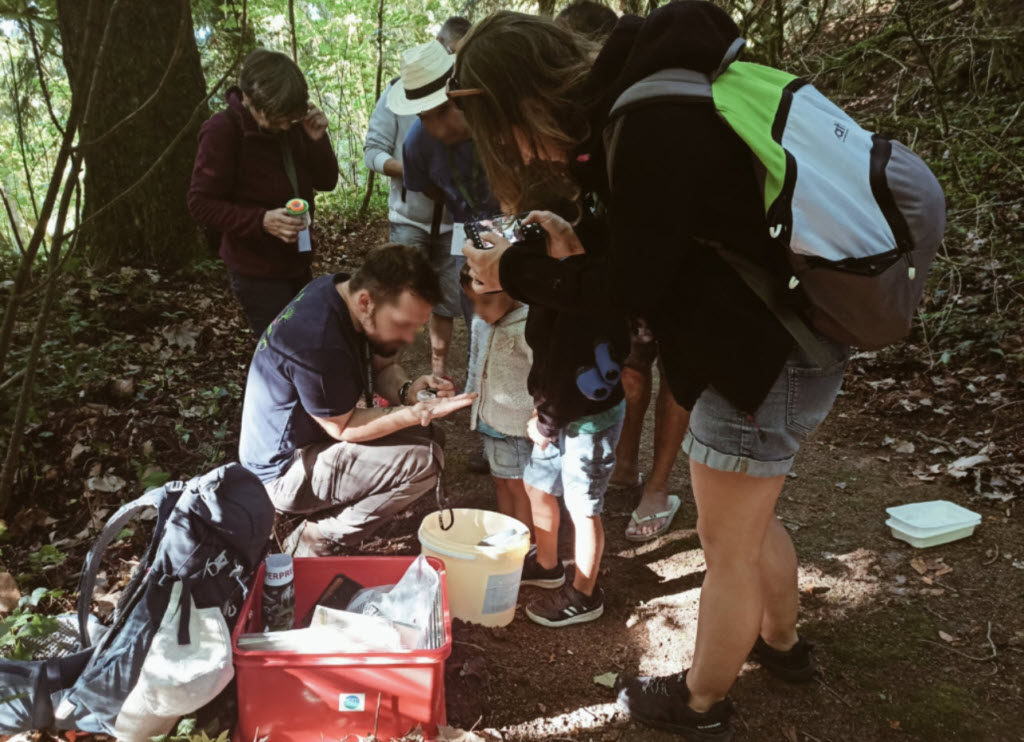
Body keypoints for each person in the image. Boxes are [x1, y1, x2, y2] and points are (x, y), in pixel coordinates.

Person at [455, 4, 849, 739]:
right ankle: (784, 646)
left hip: (764, 360)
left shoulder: (648, 120)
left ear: (523, 97)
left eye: (504, 128)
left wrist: (515, 268)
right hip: (780, 347)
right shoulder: (650, 100)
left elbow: (630, 288)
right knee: (753, 522)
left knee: (727, 546)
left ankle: (700, 701)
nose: (514, 146)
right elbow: (658, 241)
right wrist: (570, 244)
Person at [239, 244, 476, 557]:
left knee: (432, 437)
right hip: (282, 472)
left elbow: (383, 366)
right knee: (425, 460)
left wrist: (408, 391)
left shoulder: (339, 291)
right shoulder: (318, 341)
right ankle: (317, 538)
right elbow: (345, 427)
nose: (408, 338)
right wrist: (413, 412)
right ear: (366, 302)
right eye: (404, 324)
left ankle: (323, 520)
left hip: (311, 443)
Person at [389, 37, 501, 474]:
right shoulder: (418, 144)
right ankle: (487, 428)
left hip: (519, 221)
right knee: (482, 326)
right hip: (468, 228)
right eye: (424, 116)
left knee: (518, 325)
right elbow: (430, 187)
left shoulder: (499, 119)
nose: (436, 127)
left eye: (442, 112)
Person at [189, 49, 339, 337]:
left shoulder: (293, 121)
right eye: (278, 119)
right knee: (283, 349)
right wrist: (261, 220)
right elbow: (200, 204)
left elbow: (327, 181)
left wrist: (318, 140)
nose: (285, 126)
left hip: (298, 258)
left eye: (290, 119)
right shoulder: (222, 131)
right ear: (249, 101)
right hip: (256, 270)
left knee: (306, 340)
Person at [362, 17, 472, 378]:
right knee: (398, 294)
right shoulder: (396, 95)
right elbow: (373, 152)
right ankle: (387, 372)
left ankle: (438, 375)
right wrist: (412, 172)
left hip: (455, 221)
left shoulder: (465, 98)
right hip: (410, 220)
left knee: (447, 299)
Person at [460, 265, 534, 533]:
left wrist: (541, 416)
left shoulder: (528, 325)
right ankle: (509, 532)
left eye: (486, 300)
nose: (479, 309)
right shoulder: (482, 322)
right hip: (489, 418)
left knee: (518, 483)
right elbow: (476, 363)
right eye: (472, 302)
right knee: (500, 479)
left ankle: (527, 540)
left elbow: (543, 375)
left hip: (516, 425)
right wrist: (470, 399)